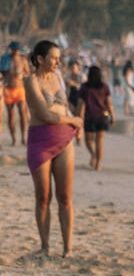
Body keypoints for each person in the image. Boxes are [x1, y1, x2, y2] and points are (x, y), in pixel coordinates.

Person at [23, 40, 83, 257]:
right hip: (40, 141)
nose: (58, 61)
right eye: (54, 57)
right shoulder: (30, 81)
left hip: (64, 140)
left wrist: (76, 123)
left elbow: (64, 106)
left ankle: (68, 249)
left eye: (59, 57)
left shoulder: (58, 77)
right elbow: (44, 114)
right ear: (40, 59)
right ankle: (45, 246)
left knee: (65, 197)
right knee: (43, 197)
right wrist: (74, 121)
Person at [77, 65, 114, 171]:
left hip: (90, 117)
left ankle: (94, 155)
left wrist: (79, 117)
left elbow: (80, 104)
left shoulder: (84, 87)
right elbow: (109, 103)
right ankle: (98, 162)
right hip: (102, 116)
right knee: (99, 141)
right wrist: (112, 116)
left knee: (88, 140)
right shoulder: (104, 86)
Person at [3, 41, 30, 146]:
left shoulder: (23, 60)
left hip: (20, 89)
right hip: (8, 89)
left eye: (16, 50)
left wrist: (21, 74)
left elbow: (27, 73)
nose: (15, 52)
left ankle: (23, 137)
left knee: (23, 114)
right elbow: (1, 72)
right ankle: (14, 138)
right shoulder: (5, 59)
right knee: (11, 116)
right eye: (13, 49)